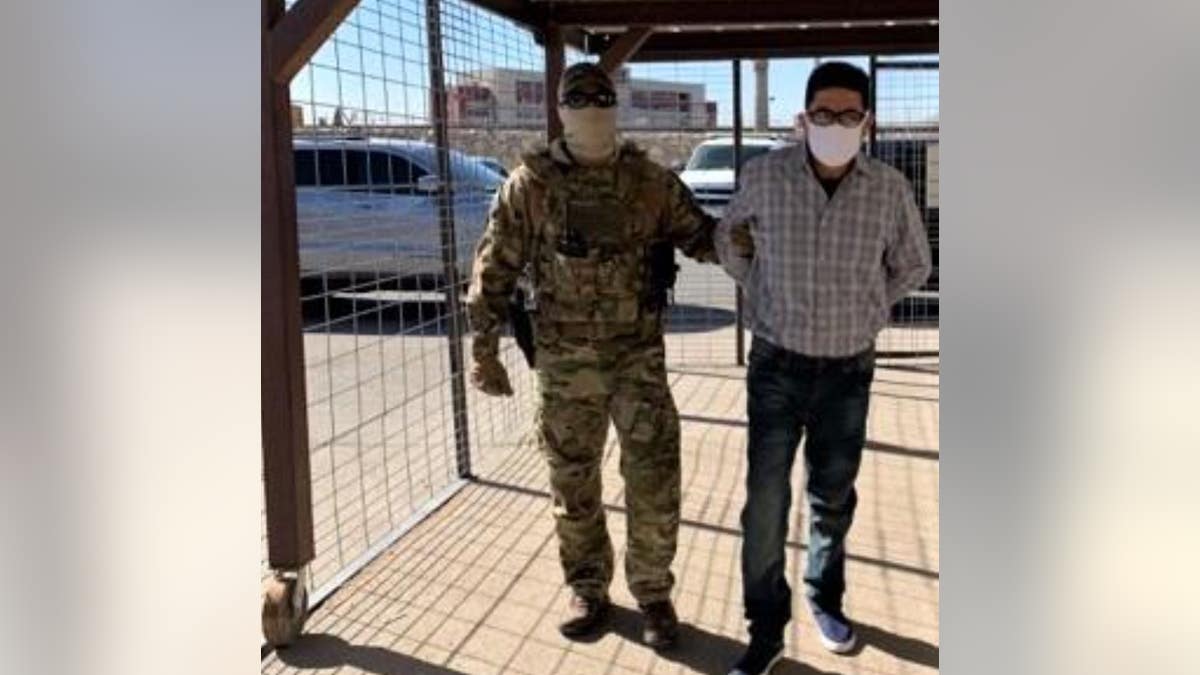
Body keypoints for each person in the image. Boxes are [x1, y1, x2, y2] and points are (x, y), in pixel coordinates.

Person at [465, 62, 719, 650]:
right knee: (572, 483)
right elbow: (494, 267)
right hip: (564, 364)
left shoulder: (649, 182)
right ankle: (588, 589)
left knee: (654, 479)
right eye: (579, 102)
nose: (591, 112)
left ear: (614, 108)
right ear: (560, 112)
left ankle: (654, 594)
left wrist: (753, 239)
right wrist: (483, 351)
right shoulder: (530, 186)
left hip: (637, 362)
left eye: (601, 101)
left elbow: (702, 236)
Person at [715, 61, 932, 675]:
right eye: (823, 113)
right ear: (802, 117)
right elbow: (727, 236)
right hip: (776, 365)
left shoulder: (887, 188)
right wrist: (758, 285)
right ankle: (764, 627)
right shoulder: (766, 176)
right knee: (764, 499)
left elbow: (913, 263)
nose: (834, 124)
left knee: (832, 496)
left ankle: (823, 597)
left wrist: (867, 307)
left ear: (866, 122)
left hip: (847, 369)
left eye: (847, 114)